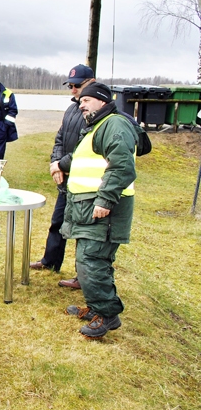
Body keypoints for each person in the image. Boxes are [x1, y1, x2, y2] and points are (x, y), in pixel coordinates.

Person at [61, 82, 137, 339]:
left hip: (103, 209)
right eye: (80, 101)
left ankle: (107, 315)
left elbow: (122, 166)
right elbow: (84, 158)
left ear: (103, 101)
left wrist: (105, 200)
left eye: (86, 100)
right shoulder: (96, 127)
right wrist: (59, 164)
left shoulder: (114, 124)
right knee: (90, 261)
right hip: (88, 208)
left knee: (93, 261)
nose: (80, 104)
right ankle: (96, 308)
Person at [30, 65, 96, 290]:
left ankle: (83, 276)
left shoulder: (97, 112)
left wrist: (62, 163)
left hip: (84, 181)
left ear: (92, 82)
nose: (73, 90)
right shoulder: (71, 110)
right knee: (57, 222)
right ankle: (50, 261)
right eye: (71, 86)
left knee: (83, 230)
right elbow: (60, 138)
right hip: (66, 179)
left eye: (78, 85)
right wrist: (55, 164)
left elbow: (85, 147)